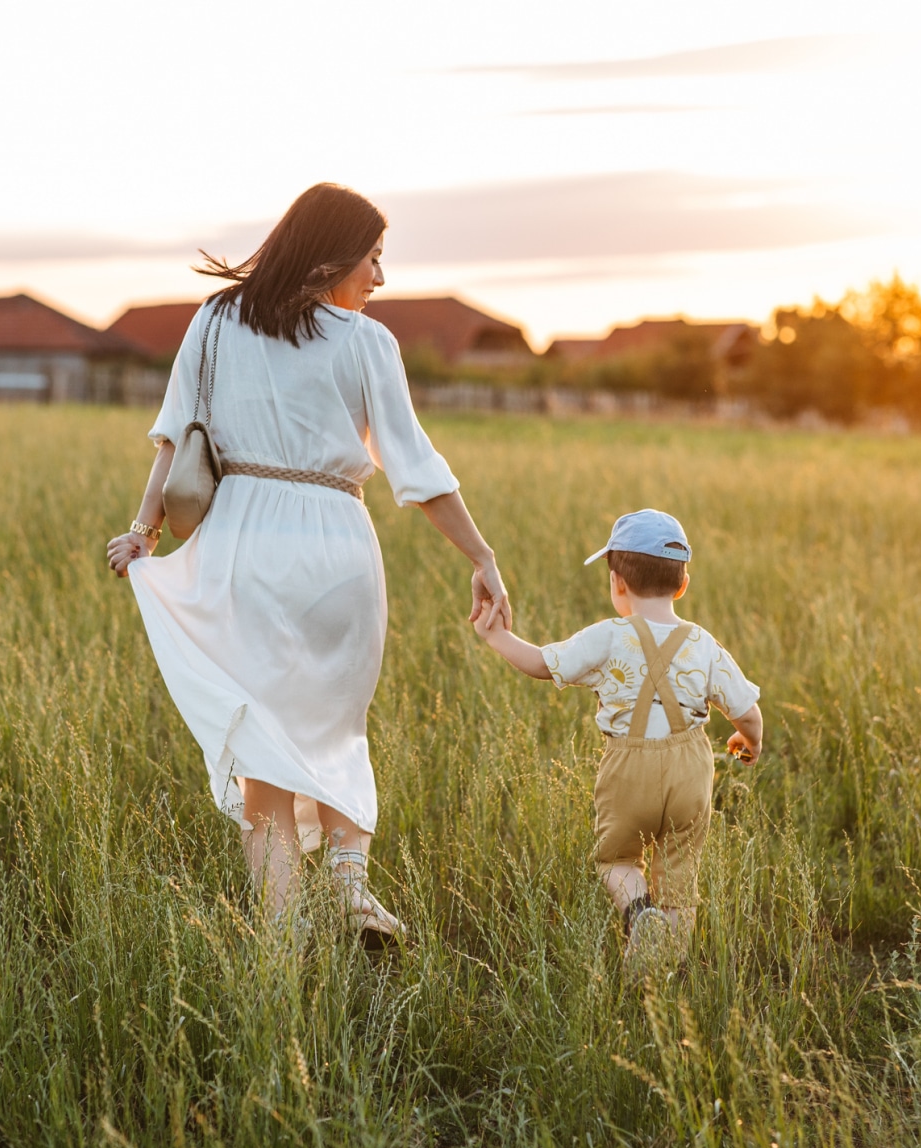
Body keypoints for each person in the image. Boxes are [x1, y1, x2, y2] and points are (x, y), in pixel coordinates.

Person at [107, 183, 510, 941]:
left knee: (266, 752)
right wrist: (481, 554)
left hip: (242, 546)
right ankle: (351, 889)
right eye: (373, 259)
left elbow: (175, 438)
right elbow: (417, 470)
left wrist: (144, 531)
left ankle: (282, 943)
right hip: (336, 547)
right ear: (331, 256)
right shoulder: (367, 343)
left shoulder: (216, 321)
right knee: (337, 727)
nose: (379, 278)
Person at [472, 508, 761, 970]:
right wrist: (749, 741)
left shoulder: (608, 637)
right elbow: (747, 711)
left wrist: (496, 637)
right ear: (683, 585)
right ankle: (661, 973)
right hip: (690, 770)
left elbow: (542, 664)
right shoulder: (703, 643)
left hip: (628, 769)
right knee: (679, 876)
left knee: (618, 861)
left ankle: (639, 913)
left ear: (618, 583)